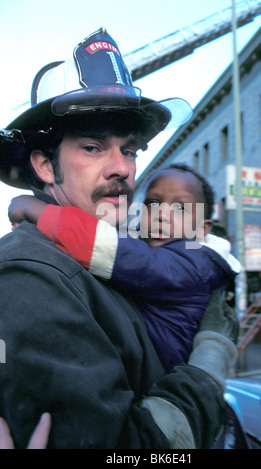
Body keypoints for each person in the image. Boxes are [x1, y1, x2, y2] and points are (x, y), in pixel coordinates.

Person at [0, 27, 239, 449]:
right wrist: (206, 369)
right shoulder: (30, 274)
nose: (122, 169)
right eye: (93, 147)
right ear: (43, 165)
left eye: (128, 150)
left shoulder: (106, 254)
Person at [9, 163, 240, 373]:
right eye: (152, 203)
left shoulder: (196, 263)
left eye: (180, 208)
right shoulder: (149, 247)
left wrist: (36, 210)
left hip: (162, 380)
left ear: (202, 229)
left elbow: (112, 249)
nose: (161, 215)